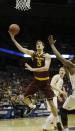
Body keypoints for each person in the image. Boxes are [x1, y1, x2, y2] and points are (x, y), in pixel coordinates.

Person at [8, 31, 66, 131]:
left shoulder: (46, 55)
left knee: (52, 105)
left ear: (43, 47)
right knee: (24, 98)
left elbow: (46, 68)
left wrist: (32, 69)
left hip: (45, 82)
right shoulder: (32, 53)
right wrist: (13, 39)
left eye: (40, 44)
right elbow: (21, 49)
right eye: (36, 44)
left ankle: (57, 122)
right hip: (36, 81)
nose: (38, 45)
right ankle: (31, 106)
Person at [48, 35, 75, 110]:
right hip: (70, 93)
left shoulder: (72, 66)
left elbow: (60, 57)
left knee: (63, 110)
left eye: (70, 59)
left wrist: (52, 45)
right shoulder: (69, 73)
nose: (69, 60)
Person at [42, 67, 69, 131]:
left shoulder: (62, 80)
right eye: (60, 70)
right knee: (55, 112)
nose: (61, 71)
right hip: (51, 95)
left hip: (54, 96)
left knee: (54, 113)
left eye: (63, 70)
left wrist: (59, 96)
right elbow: (51, 85)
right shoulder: (56, 76)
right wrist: (61, 91)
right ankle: (45, 127)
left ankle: (55, 126)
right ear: (59, 71)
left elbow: (57, 90)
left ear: (65, 72)